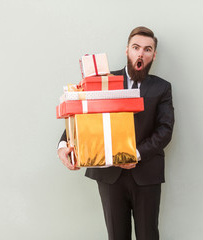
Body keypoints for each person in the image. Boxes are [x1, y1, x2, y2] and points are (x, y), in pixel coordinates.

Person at [57, 26, 175, 240]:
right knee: (116, 236)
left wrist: (134, 154)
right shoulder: (104, 81)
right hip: (110, 175)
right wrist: (63, 145)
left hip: (146, 173)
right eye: (136, 47)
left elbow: (165, 130)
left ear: (154, 55)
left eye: (147, 49)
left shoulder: (162, 88)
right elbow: (82, 114)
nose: (141, 53)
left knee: (148, 235)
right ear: (127, 50)